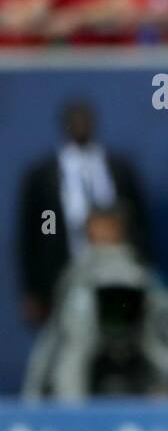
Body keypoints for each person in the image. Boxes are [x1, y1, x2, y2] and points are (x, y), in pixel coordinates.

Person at [17, 99, 150, 325]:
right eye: (74, 121)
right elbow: (33, 233)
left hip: (117, 277)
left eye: (85, 120)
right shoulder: (44, 177)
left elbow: (142, 223)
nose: (81, 126)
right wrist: (33, 288)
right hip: (63, 278)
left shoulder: (119, 170)